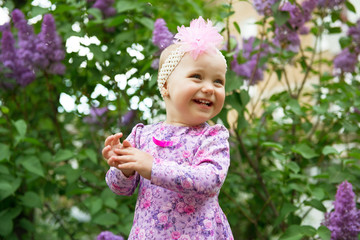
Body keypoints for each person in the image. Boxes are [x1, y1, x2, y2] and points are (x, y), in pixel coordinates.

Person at [102, 16, 234, 240]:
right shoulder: (142, 135)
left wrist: (152, 166)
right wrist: (124, 168)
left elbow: (210, 180)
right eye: (197, 77)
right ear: (166, 86)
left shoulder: (212, 136)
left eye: (218, 81)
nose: (209, 88)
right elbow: (120, 189)